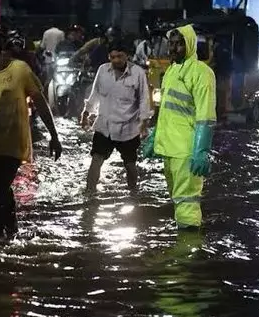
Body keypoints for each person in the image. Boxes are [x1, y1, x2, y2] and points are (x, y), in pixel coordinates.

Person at [0, 30, 63, 240]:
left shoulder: (19, 70)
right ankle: (12, 230)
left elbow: (40, 102)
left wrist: (54, 136)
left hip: (14, 144)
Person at [142, 24, 217, 231]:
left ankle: (188, 254)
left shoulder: (202, 73)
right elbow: (166, 111)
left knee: (187, 205)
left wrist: (201, 151)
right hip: (169, 149)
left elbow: (206, 116)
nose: (173, 49)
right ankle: (184, 247)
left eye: (179, 45)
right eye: (171, 44)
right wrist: (155, 137)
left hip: (186, 151)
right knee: (179, 201)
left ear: (190, 46)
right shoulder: (171, 71)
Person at [81, 39, 151, 193]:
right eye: (112, 57)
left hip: (128, 128)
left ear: (127, 56)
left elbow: (144, 100)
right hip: (104, 126)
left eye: (119, 57)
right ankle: (89, 194)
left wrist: (144, 125)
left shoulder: (138, 73)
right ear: (109, 57)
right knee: (96, 160)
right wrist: (86, 113)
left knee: (130, 165)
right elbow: (95, 94)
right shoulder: (102, 70)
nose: (116, 61)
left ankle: (133, 193)